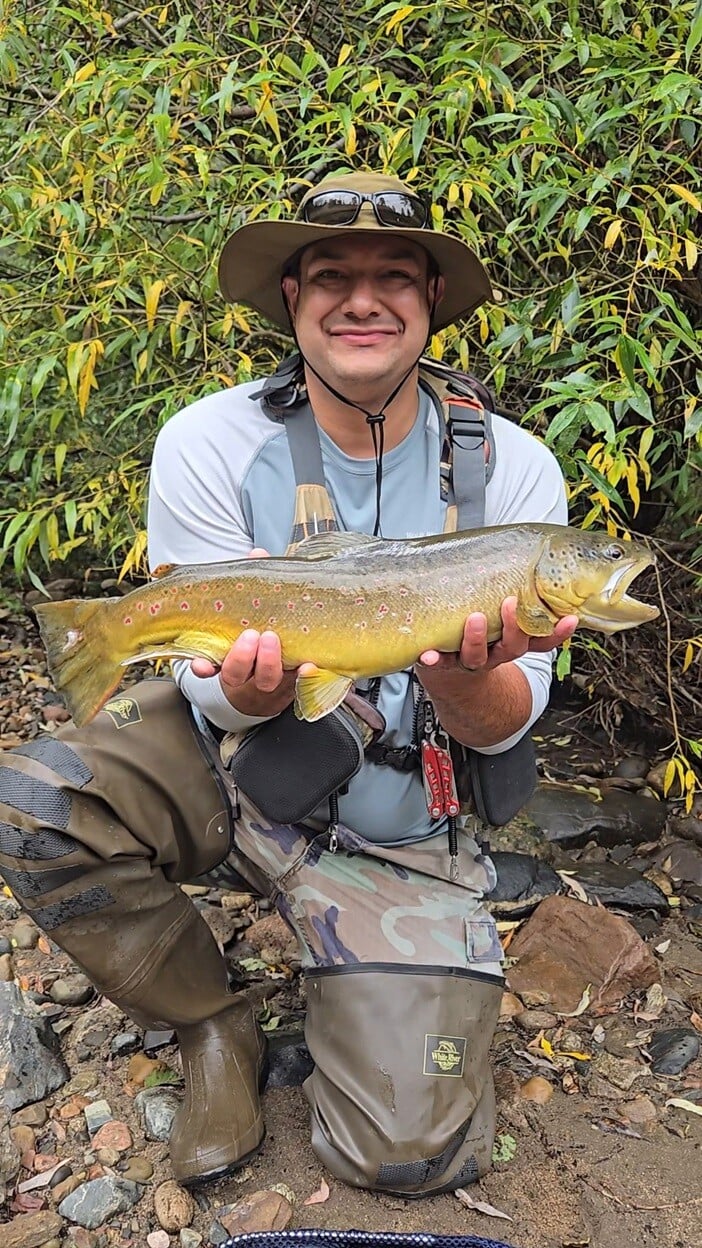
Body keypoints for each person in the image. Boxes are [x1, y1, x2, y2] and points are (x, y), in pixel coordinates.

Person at [0, 172, 576, 1196]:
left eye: (394, 275)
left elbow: (503, 733)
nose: (363, 299)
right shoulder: (209, 440)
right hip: (240, 772)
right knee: (33, 799)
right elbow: (207, 687)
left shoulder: (521, 478)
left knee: (409, 1157)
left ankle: (360, 966)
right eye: (332, 277)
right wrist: (254, 691)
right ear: (291, 300)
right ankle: (211, 1023)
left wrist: (461, 679)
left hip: (406, 829)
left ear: (432, 302)